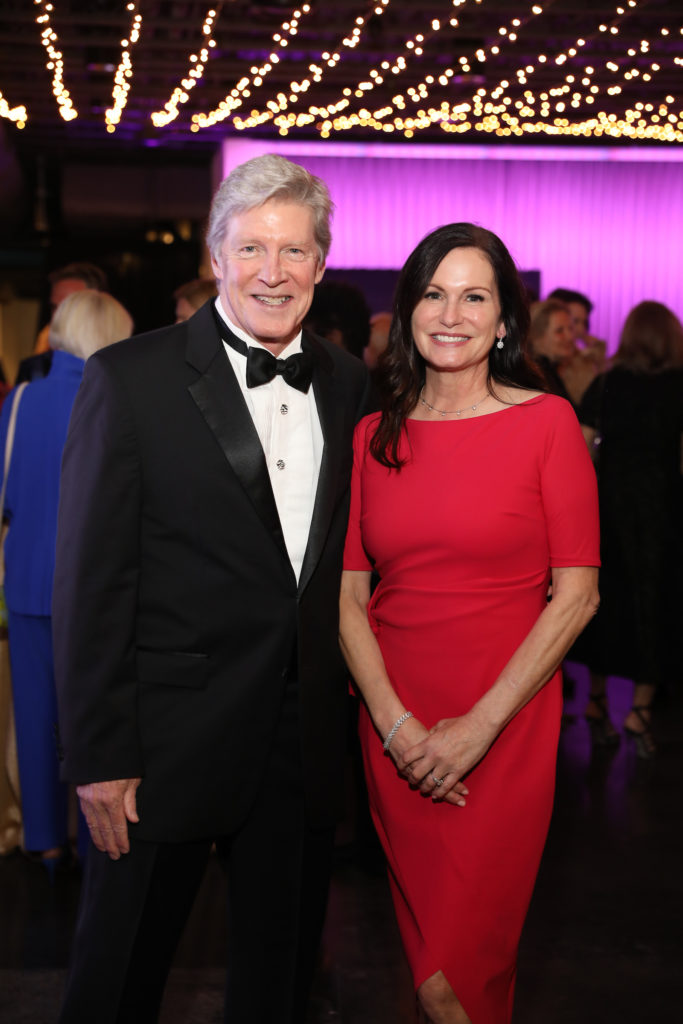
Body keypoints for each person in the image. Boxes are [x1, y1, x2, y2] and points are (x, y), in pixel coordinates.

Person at [53, 154, 370, 1024]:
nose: (274, 271)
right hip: (162, 744)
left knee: (277, 985)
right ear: (216, 255)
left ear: (321, 262)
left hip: (299, 747)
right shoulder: (131, 378)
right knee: (118, 982)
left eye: (295, 250)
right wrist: (101, 753)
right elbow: (89, 580)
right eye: (253, 248)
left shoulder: (349, 384)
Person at [339, 223, 600, 1024]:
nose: (450, 313)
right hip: (396, 729)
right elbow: (348, 601)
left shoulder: (545, 424)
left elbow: (578, 593)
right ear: (409, 310)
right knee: (431, 971)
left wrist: (475, 729)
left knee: (458, 976)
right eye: (432, 293)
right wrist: (395, 727)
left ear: (501, 322)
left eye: (473, 296)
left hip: (504, 724)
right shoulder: (369, 438)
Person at [0, 290, 132, 874]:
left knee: (35, 718)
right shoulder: (121, 395)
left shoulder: (20, 400)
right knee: (95, 716)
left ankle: (45, 842)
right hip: (101, 588)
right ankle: (94, 836)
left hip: (29, 581)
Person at [578, 300, 683, 757]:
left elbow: (580, 450)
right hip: (663, 510)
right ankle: (639, 710)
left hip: (608, 508)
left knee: (603, 600)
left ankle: (597, 699)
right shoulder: (681, 387)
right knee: (654, 606)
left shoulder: (604, 384)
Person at [17, 262, 109, 384]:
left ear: (97, 307)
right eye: (54, 308)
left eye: (68, 307)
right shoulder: (35, 369)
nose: (57, 317)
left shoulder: (118, 364)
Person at [548, 287, 606, 406]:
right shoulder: (538, 366)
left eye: (584, 323)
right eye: (574, 322)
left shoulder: (584, 361)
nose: (580, 330)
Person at [527, 297, 576, 406]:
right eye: (559, 331)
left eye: (570, 329)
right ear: (537, 336)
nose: (569, 337)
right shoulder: (537, 378)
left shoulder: (550, 371)